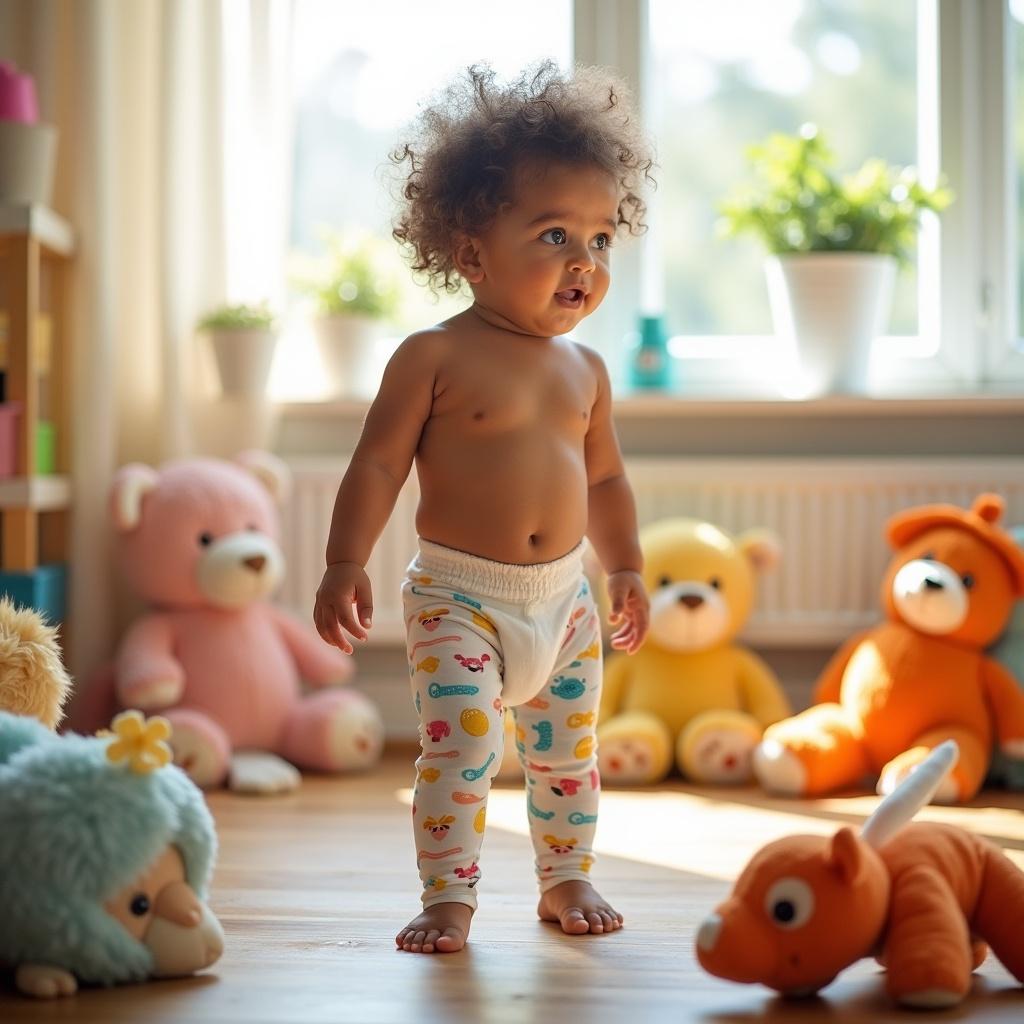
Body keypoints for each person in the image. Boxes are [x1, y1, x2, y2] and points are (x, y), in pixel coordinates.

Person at [313, 61, 654, 955]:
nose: (584, 262)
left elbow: (608, 481)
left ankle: (567, 872)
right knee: (462, 753)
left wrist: (625, 567)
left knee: (565, 755)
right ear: (471, 253)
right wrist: (344, 560)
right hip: (459, 598)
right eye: (553, 236)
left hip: (566, 601)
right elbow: (378, 465)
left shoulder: (587, 370)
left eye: (601, 240)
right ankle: (449, 897)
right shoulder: (432, 356)